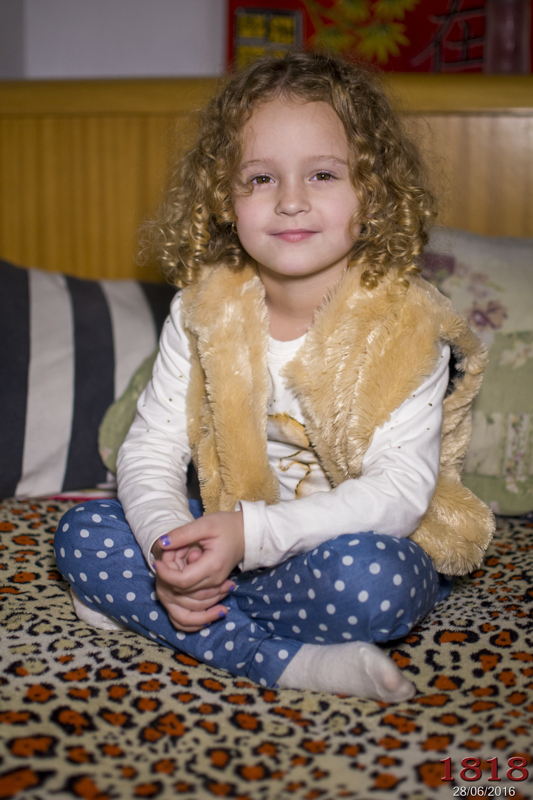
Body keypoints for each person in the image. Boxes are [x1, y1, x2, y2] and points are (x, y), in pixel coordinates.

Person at [54, 52, 494, 702]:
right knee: (82, 534)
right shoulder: (202, 308)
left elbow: (398, 493)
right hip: (228, 531)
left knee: (380, 583)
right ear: (224, 198)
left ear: (372, 193)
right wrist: (170, 551)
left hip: (346, 546)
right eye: (260, 178)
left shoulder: (406, 327)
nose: (290, 201)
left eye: (323, 174)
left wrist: (249, 537)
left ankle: (156, 615)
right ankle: (284, 659)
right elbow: (150, 449)